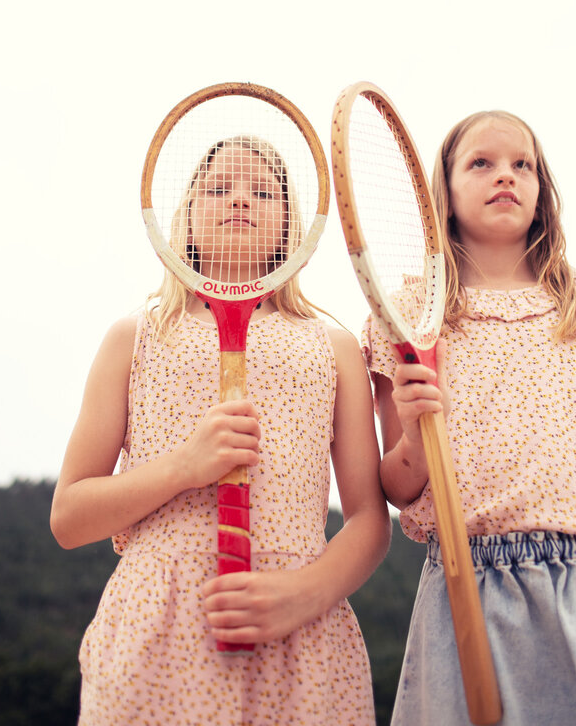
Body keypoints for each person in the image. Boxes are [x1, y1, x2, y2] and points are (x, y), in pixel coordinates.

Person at [51, 134, 390, 726]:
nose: (240, 199)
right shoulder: (134, 337)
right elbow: (70, 516)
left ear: (292, 225)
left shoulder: (333, 347)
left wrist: (305, 594)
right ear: (183, 218)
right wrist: (184, 466)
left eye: (263, 190)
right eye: (217, 187)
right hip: (157, 628)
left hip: (301, 633)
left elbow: (368, 518)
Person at [363, 111, 576, 726]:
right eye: (480, 162)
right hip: (467, 580)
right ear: (445, 193)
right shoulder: (408, 314)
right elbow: (399, 486)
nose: (504, 175)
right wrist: (412, 430)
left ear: (542, 192)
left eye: (522, 165)